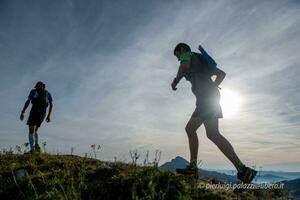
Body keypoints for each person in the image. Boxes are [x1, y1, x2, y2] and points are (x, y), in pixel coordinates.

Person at [171, 43, 257, 183]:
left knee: (190, 129)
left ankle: (193, 168)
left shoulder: (188, 55)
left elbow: (184, 66)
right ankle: (243, 170)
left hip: (206, 98)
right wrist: (212, 87)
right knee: (213, 134)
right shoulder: (201, 60)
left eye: (177, 55)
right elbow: (221, 74)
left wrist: (175, 81)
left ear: (182, 50)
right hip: (210, 97)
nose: (179, 60)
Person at [20, 81, 53, 153]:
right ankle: (37, 146)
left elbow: (28, 101)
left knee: (31, 130)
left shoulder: (33, 91)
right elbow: (51, 105)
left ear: (38, 86)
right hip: (42, 113)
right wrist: (48, 115)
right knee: (35, 130)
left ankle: (32, 149)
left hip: (34, 111)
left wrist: (23, 112)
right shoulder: (48, 93)